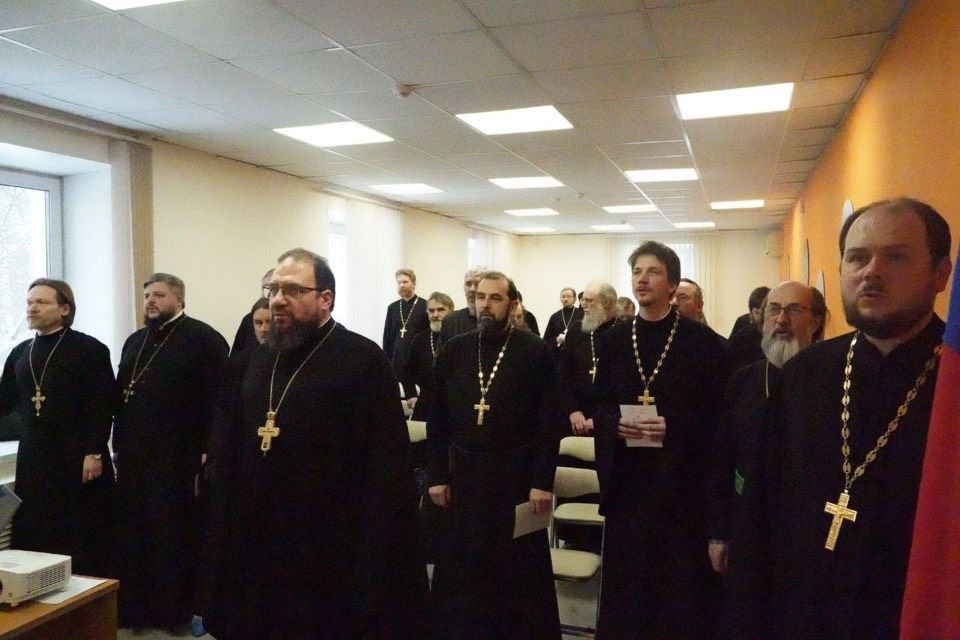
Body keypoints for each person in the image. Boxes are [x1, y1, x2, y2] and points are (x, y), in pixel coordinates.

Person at [202, 248, 428, 639]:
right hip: (257, 538)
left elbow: (386, 469)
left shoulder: (363, 361)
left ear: (326, 299)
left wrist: (374, 556)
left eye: (292, 290)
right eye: (273, 289)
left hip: (331, 543)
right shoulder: (253, 362)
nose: (277, 299)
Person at [758, 198, 953, 637]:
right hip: (806, 614)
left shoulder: (953, 379)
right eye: (858, 257)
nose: (871, 272)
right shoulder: (805, 374)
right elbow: (768, 504)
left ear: (941, 274)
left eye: (896, 257)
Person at [593, 241, 727, 638]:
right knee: (628, 591)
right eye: (636, 272)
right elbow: (600, 403)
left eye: (652, 272)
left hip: (679, 487)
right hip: (628, 484)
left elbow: (718, 418)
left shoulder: (702, 343)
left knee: (677, 593)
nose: (642, 279)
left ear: (672, 284)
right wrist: (614, 423)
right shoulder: (613, 340)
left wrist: (675, 427)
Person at [428, 271, 561, 639]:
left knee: (517, 570)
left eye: (495, 298)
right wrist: (437, 475)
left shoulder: (535, 352)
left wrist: (541, 481)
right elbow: (437, 419)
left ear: (513, 304)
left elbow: (549, 423)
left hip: (515, 478)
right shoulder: (454, 350)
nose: (485, 305)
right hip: (464, 478)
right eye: (480, 297)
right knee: (463, 568)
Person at [708, 281, 826, 637]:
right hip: (749, 528)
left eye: (794, 310)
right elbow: (721, 462)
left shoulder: (834, 382)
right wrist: (718, 534)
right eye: (773, 310)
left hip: (810, 535)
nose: (781, 320)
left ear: (816, 321)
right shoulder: (743, 382)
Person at [113, 273, 229, 631]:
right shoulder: (135, 341)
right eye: (147, 295)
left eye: (159, 295)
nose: (151, 300)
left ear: (179, 299)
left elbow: (219, 401)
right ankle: (137, 611)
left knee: (173, 534)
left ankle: (174, 613)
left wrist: (209, 450)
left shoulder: (205, 339)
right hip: (134, 457)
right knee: (136, 534)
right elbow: (122, 395)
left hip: (179, 458)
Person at [0, 279, 116, 576]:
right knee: (36, 532)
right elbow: (4, 403)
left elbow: (103, 404)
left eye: (41, 302)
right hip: (34, 459)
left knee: (79, 531)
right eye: (29, 302)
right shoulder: (20, 352)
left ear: (65, 309)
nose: (32, 308)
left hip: (78, 456)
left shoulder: (89, 349)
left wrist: (94, 452)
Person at [558, 280, 618, 437]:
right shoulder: (576, 330)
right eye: (582, 299)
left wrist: (600, 420)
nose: (582, 304)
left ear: (607, 302)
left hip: (611, 422)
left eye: (589, 300)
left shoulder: (623, 332)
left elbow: (626, 386)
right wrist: (573, 410)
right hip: (575, 419)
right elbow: (563, 374)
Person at [400, 291, 453, 422]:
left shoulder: (461, 338)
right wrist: (411, 395)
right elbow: (407, 371)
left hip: (454, 404)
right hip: (425, 404)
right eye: (431, 310)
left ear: (451, 312)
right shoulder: (419, 340)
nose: (435, 314)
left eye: (441, 310)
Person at [383, 268, 429, 377]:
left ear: (414, 283)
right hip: (396, 362)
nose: (402, 285)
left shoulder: (425, 306)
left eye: (405, 282)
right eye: (399, 282)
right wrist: (387, 361)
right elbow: (387, 336)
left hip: (418, 361)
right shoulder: (392, 307)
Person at [230, 268, 273, 356]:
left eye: (275, 289)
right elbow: (236, 357)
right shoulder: (249, 320)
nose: (270, 294)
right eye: (267, 288)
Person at [439, 267, 484, 342]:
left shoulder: (495, 320)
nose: (472, 289)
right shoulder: (451, 321)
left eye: (477, 284)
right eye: (468, 284)